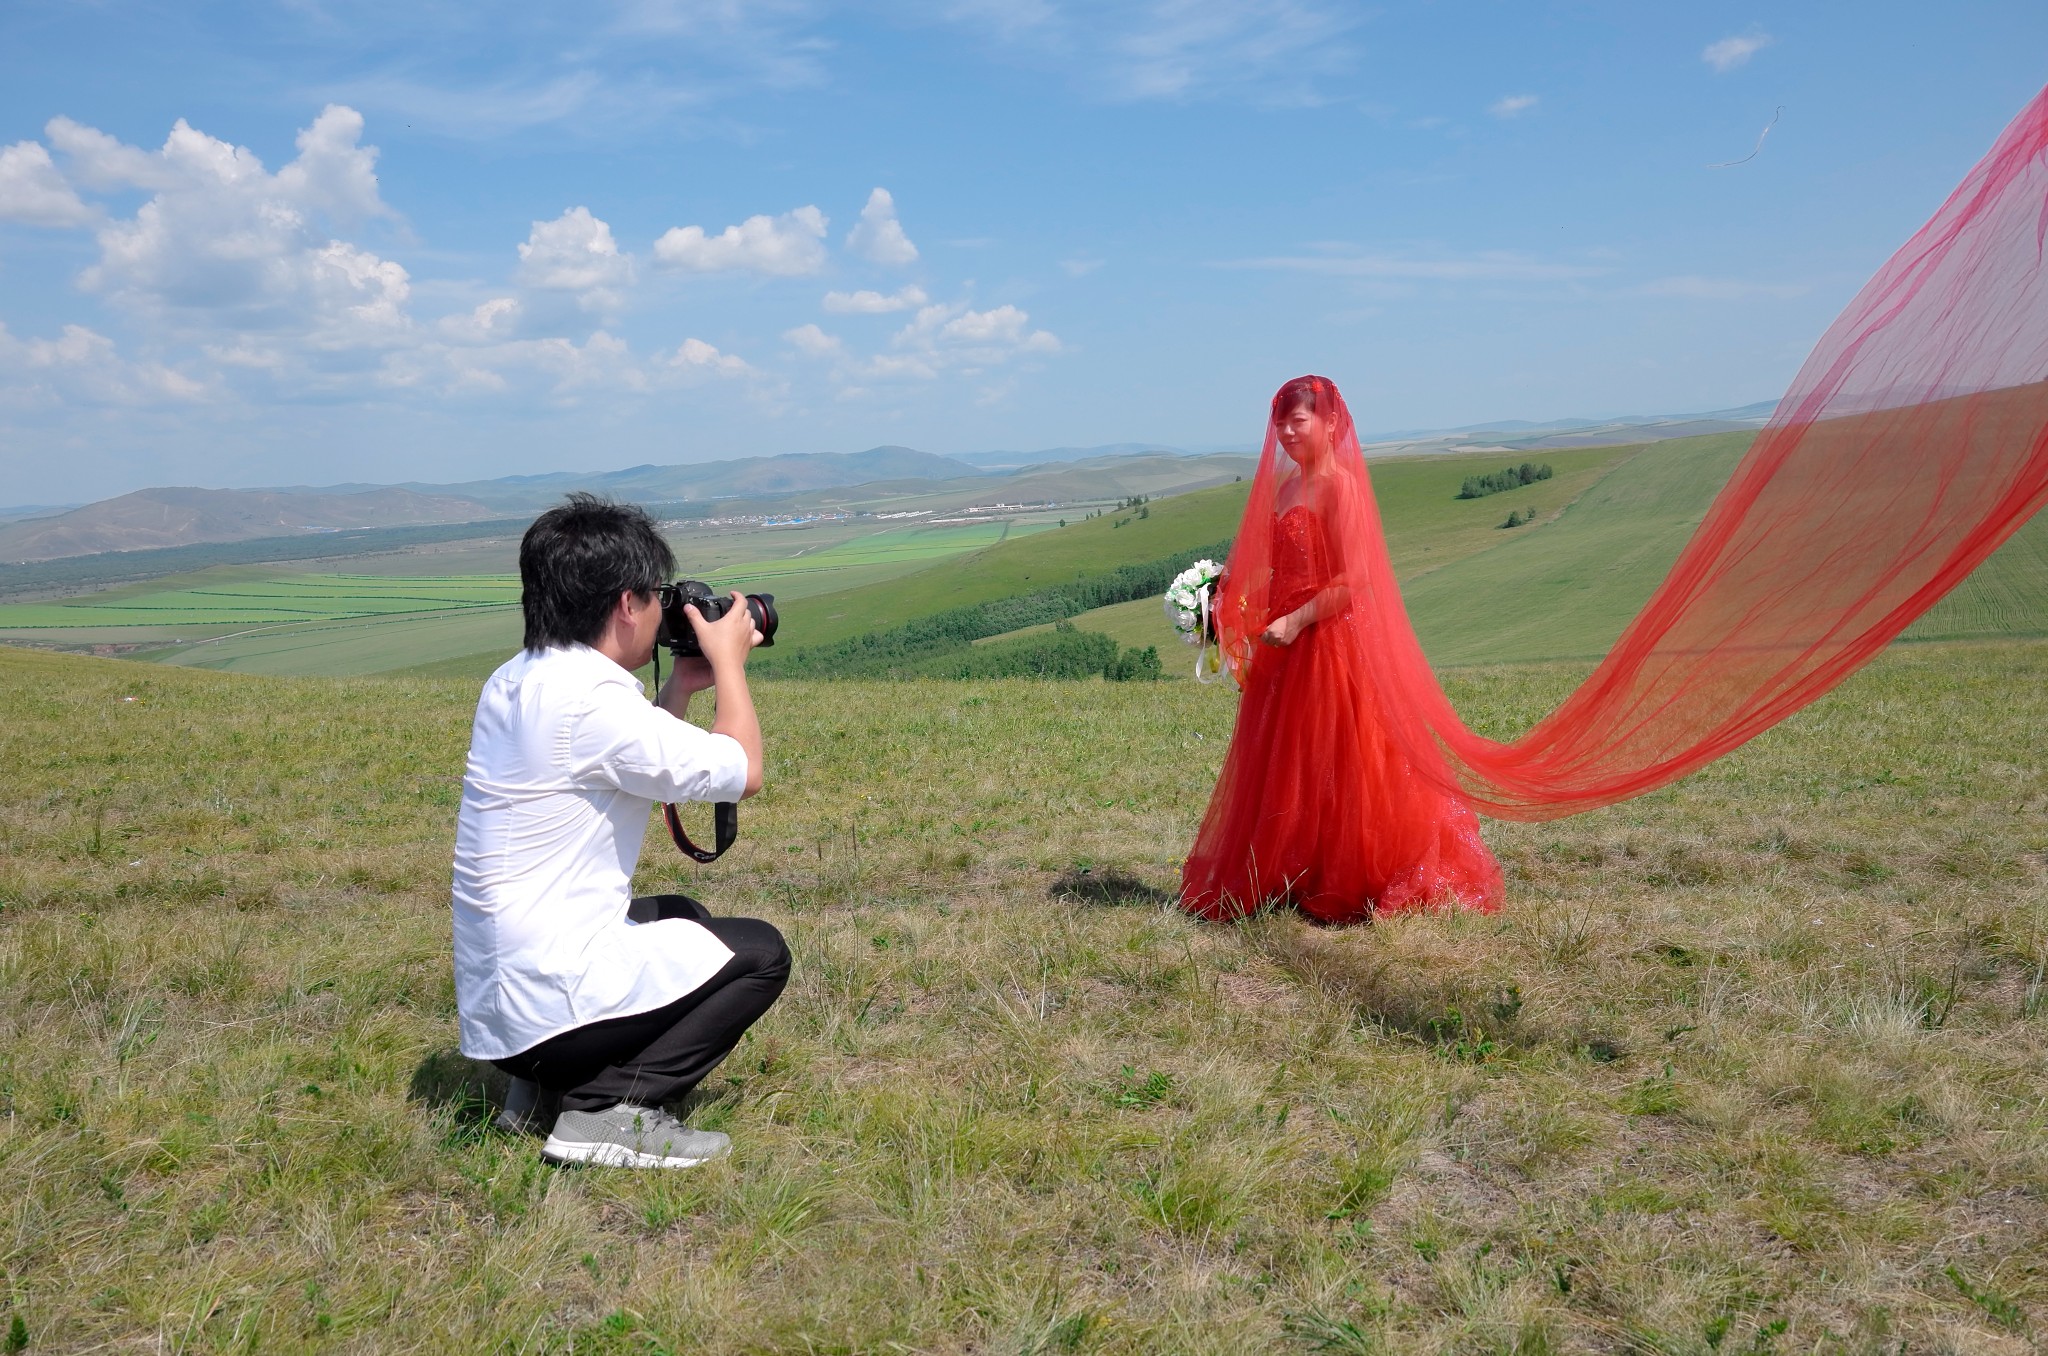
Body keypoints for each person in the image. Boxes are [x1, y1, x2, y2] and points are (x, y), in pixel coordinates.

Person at [451, 493, 787, 1169]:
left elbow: (627, 759)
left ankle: (542, 1086)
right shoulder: (593, 702)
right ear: (627, 604)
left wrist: (683, 688)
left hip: (498, 1005)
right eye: (658, 595)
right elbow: (743, 771)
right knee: (758, 953)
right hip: (544, 1004)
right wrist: (727, 664)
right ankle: (607, 1110)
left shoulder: (517, 680)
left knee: (679, 915)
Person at [1180, 376, 1503, 922]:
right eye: (1278, 422)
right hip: (1284, 643)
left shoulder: (1341, 488)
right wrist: (1217, 601)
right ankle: (1294, 866)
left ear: (1330, 424)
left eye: (1296, 421)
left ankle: (1348, 869)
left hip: (1331, 642)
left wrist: (1297, 619)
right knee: (1290, 760)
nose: (1284, 432)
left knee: (1340, 757)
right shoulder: (1284, 491)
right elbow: (1275, 568)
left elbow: (1355, 579)